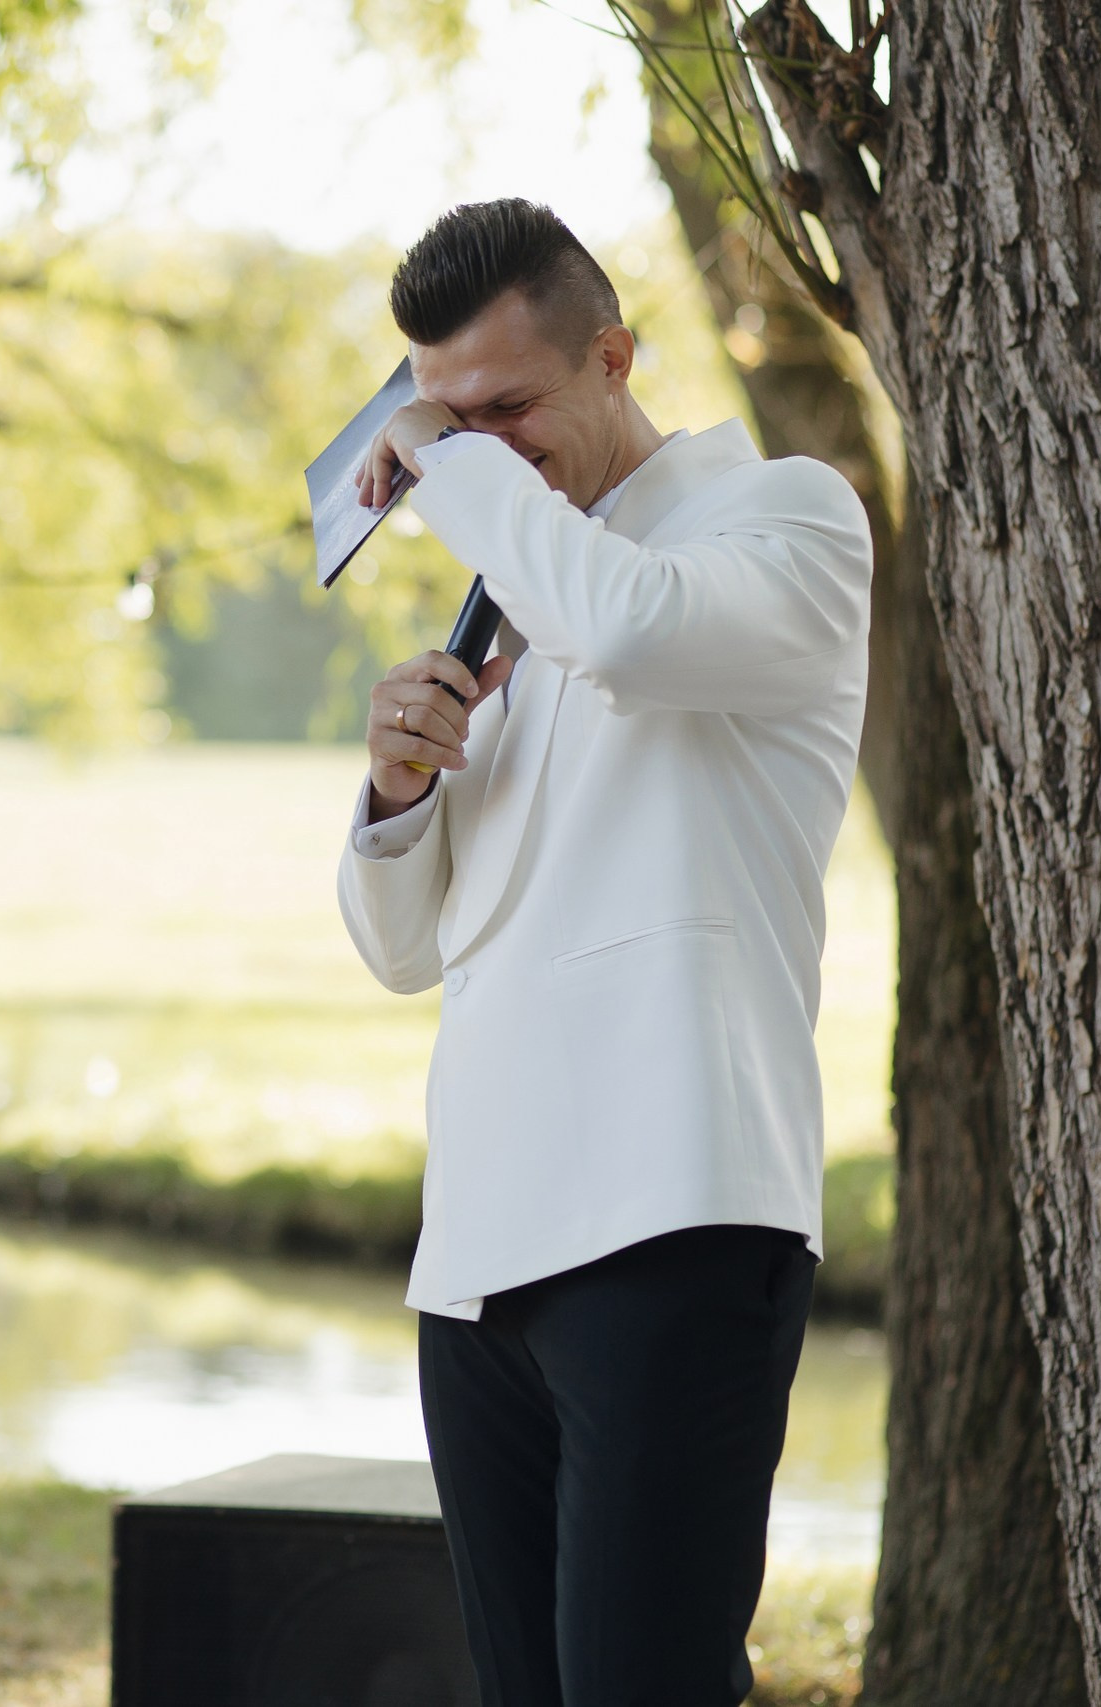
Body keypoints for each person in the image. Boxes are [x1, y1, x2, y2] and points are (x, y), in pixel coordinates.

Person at [337, 198, 874, 1706]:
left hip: (673, 1216)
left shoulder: (782, 518)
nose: (481, 451)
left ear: (615, 358)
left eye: (510, 409)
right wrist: (396, 793)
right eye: (447, 416)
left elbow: (633, 631)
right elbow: (406, 951)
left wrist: (446, 464)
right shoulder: (516, 592)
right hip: (480, 1252)